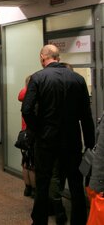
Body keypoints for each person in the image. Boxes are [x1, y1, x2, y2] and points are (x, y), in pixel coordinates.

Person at [21, 44, 95, 225]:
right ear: (58, 58)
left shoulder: (38, 78)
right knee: (75, 183)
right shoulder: (78, 79)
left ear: (42, 57)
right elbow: (86, 115)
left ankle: (39, 220)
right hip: (72, 139)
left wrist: (38, 129)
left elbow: (27, 109)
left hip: (46, 140)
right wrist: (90, 143)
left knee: (44, 181)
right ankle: (78, 221)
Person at [18, 75, 36, 198]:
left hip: (24, 133)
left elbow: (21, 94)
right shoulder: (33, 97)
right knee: (33, 165)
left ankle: (27, 188)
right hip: (32, 133)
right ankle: (34, 190)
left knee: (25, 161)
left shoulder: (24, 95)